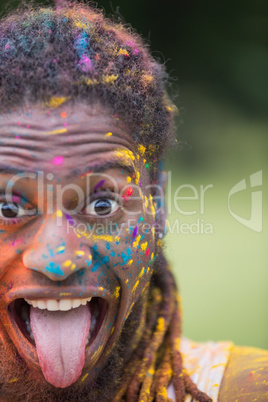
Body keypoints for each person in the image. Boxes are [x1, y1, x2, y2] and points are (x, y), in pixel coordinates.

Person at [0, 2, 267, 401]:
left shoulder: (244, 390)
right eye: (9, 208)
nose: (57, 261)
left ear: (156, 207)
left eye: (103, 205)